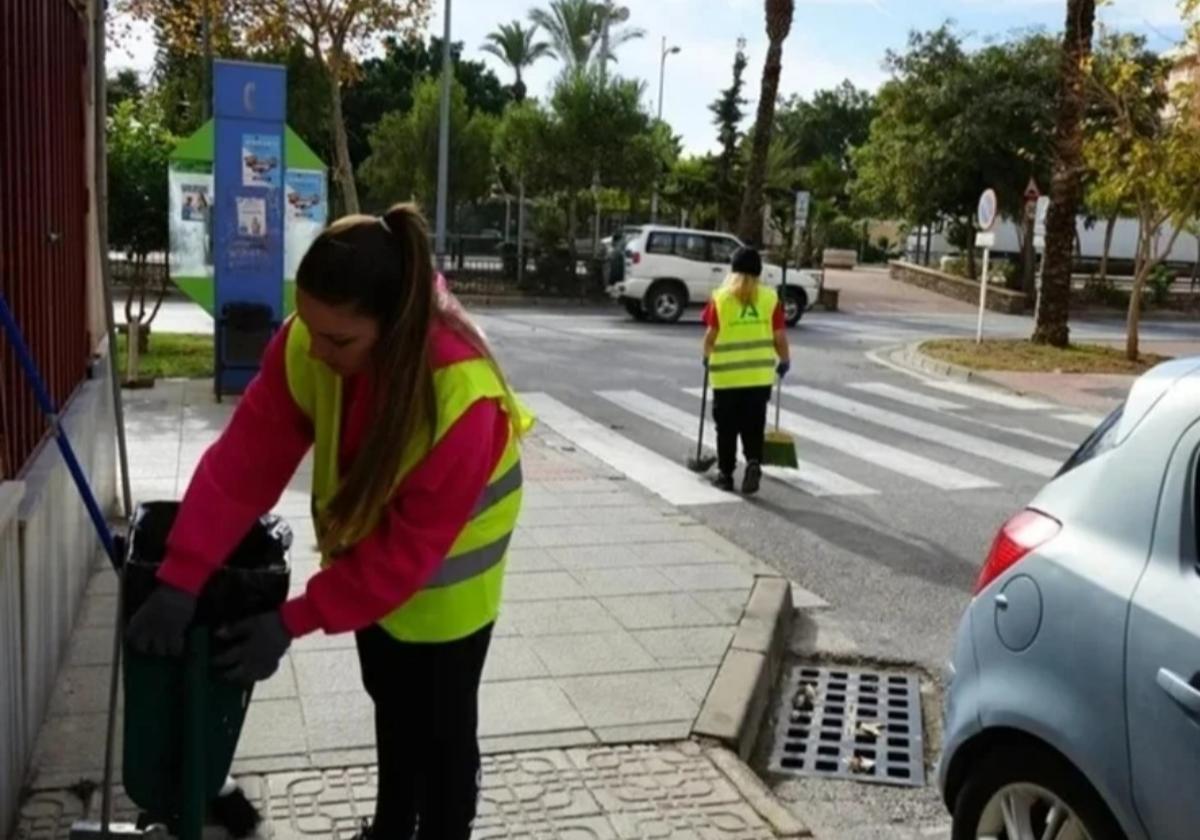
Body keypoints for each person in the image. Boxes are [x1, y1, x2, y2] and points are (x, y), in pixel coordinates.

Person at [125, 203, 533, 840]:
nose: (316, 350)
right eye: (308, 328)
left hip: (451, 590)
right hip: (376, 576)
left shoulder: (460, 397)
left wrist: (290, 622)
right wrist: (180, 577)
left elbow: (405, 556)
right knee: (392, 706)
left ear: (393, 326)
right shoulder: (314, 341)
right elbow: (242, 465)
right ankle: (392, 826)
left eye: (338, 340)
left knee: (444, 735)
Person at [701, 246, 791, 495]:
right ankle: (753, 462)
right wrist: (784, 360)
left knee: (726, 427)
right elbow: (779, 337)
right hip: (758, 377)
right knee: (754, 423)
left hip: (727, 377)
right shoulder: (770, 298)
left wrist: (706, 356)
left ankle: (726, 474)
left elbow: (710, 336)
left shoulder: (721, 298)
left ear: (733, 270)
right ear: (759, 272)